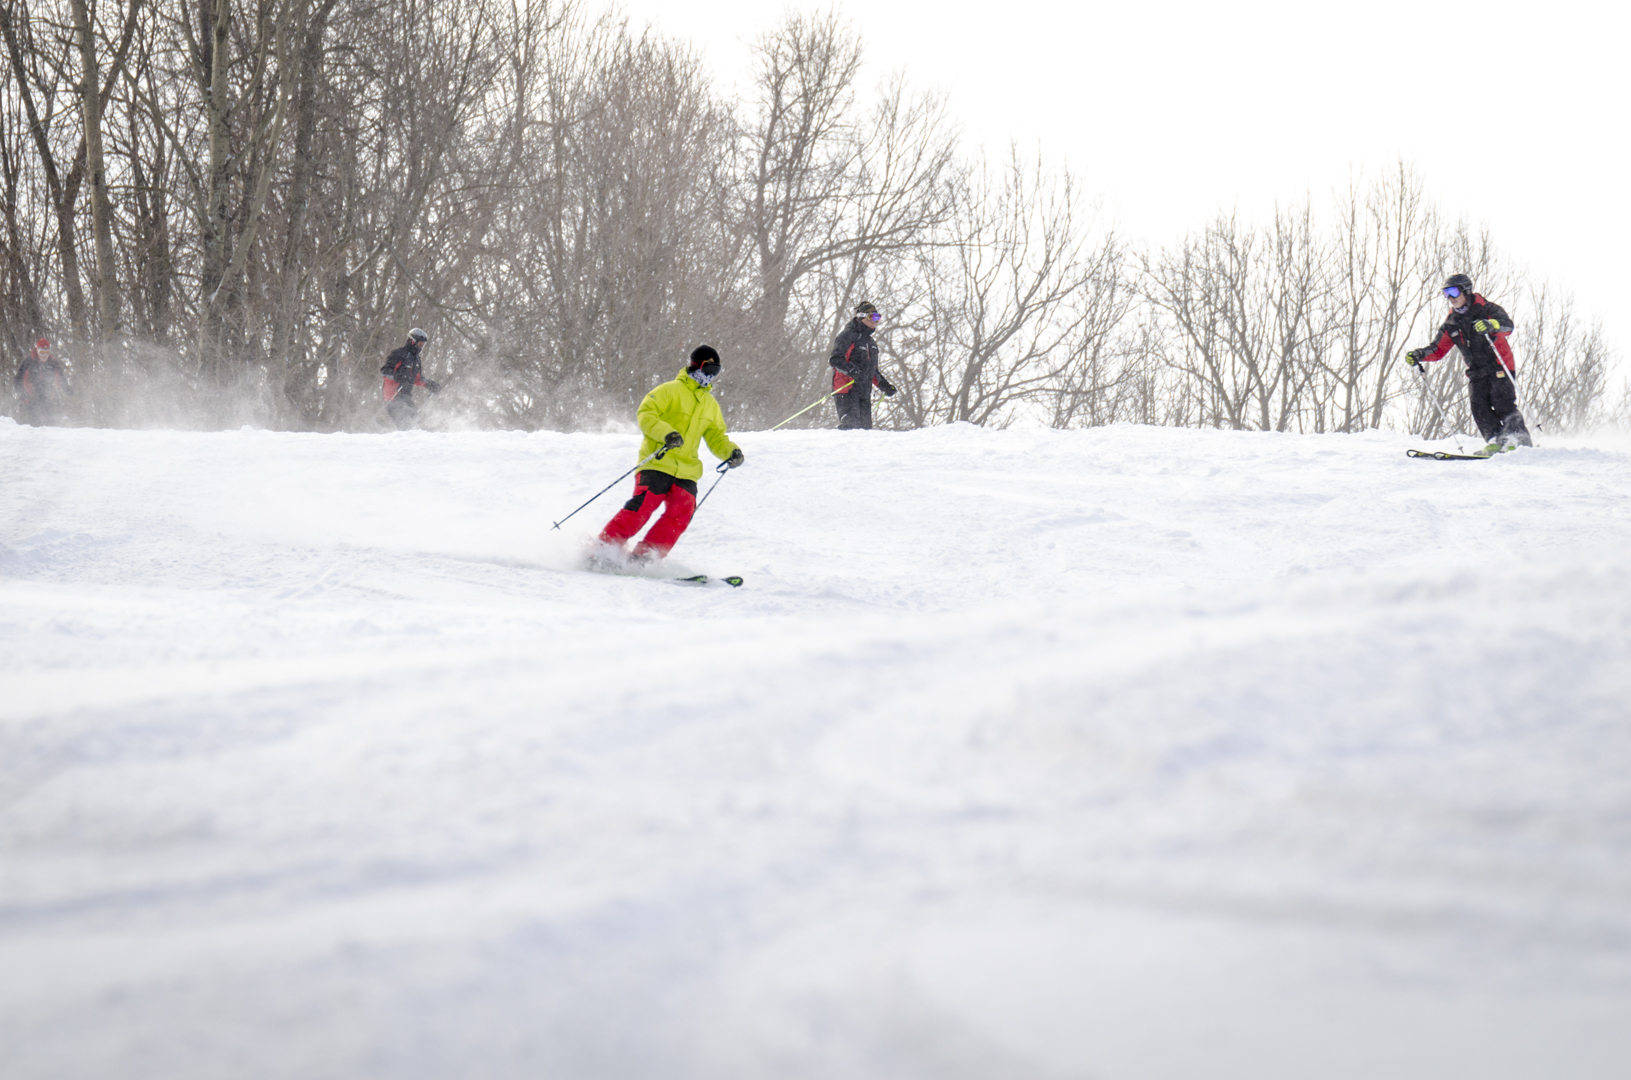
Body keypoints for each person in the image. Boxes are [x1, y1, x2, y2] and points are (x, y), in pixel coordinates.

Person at [595, 345, 744, 563]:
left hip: (687, 470)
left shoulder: (710, 405)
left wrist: (731, 452)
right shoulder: (670, 390)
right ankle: (603, 549)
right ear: (696, 365)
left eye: (716, 372)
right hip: (658, 462)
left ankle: (645, 557)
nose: (711, 377)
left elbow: (716, 436)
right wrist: (667, 434)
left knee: (681, 514)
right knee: (641, 509)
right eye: (709, 369)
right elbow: (646, 414)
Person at [1405, 274, 1533, 455]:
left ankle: (1518, 438)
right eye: (1445, 294)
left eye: (1453, 292)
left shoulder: (1487, 309)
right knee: (1478, 405)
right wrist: (1420, 354)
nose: (1450, 298)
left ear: (1466, 290)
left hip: (1499, 364)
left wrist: (1491, 324)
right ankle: (1495, 439)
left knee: (1502, 401)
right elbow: (1438, 349)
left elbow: (1507, 326)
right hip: (1476, 370)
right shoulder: (1452, 323)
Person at [828, 301, 897, 430]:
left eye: (878, 318)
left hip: (864, 392)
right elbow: (836, 360)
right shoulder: (847, 336)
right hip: (846, 389)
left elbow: (872, 371)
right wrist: (852, 371)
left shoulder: (871, 343)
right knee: (851, 427)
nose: (875, 322)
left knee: (865, 430)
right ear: (861, 317)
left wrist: (884, 385)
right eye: (872, 318)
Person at [380, 328, 441, 429]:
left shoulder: (416, 360)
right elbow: (385, 371)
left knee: (415, 422)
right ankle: (403, 441)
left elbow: (416, 378)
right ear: (412, 341)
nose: (421, 347)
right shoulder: (398, 354)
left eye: (423, 345)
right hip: (393, 396)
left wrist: (429, 385)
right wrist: (397, 376)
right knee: (405, 424)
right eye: (420, 344)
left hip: (405, 396)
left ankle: (413, 442)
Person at [13, 337, 71, 426]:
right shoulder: (29, 362)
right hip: (30, 400)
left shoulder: (53, 363)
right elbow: (18, 379)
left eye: (47, 352)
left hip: (48, 400)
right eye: (42, 352)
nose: (44, 355)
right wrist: (21, 393)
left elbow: (60, 378)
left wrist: (66, 388)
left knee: (51, 425)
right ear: (37, 351)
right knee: (33, 426)